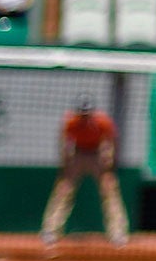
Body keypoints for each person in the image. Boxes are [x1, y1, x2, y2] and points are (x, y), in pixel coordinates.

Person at [40, 96, 130, 250]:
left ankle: (118, 233)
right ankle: (50, 230)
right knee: (63, 190)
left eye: (87, 114)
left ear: (92, 113)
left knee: (110, 191)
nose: (84, 117)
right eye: (81, 114)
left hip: (97, 155)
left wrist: (110, 160)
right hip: (78, 154)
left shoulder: (103, 122)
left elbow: (112, 141)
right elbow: (63, 142)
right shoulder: (70, 122)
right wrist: (65, 163)